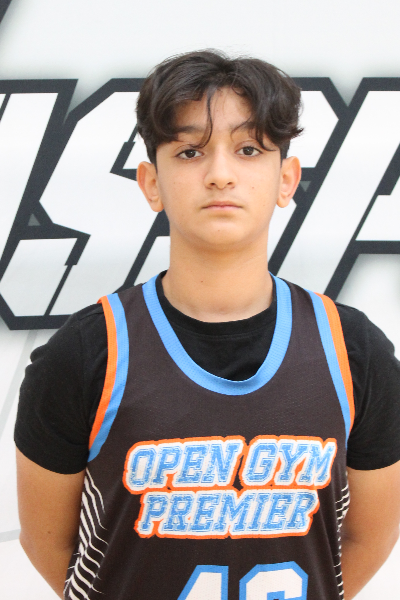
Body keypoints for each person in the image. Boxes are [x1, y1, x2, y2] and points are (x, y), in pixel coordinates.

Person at [15, 50, 400, 600]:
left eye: (249, 149)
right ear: (151, 183)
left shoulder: (354, 351)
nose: (220, 175)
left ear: (286, 179)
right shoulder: (85, 353)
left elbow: (368, 537)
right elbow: (48, 545)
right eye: (190, 151)